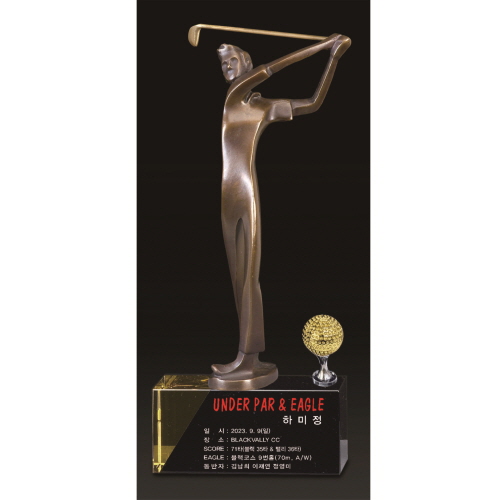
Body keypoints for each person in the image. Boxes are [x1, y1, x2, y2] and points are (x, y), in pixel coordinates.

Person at [209, 34, 351, 390]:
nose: (227, 68)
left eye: (232, 61)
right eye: (223, 64)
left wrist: (331, 57)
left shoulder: (263, 106)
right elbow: (268, 70)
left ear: (246, 62)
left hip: (246, 192)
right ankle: (247, 357)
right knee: (236, 276)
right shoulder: (233, 97)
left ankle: (247, 356)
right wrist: (321, 46)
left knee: (249, 277)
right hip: (226, 194)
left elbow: (313, 103)